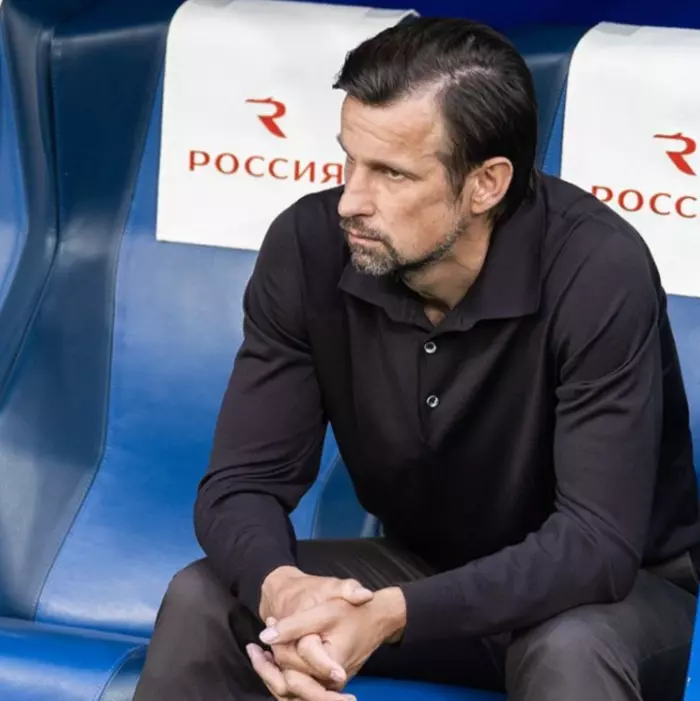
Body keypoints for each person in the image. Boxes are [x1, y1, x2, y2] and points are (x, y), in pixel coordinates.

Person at [132, 16, 700, 701]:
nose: (351, 200)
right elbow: (240, 484)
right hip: (420, 571)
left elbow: (594, 546)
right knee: (207, 598)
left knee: (569, 650)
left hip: (608, 598)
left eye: (392, 174)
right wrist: (285, 590)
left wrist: (390, 615)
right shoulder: (309, 247)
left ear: (486, 184)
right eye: (350, 160)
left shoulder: (597, 268)